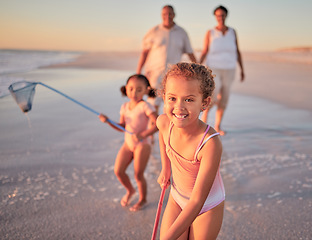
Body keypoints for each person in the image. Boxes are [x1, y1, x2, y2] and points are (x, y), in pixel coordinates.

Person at [156, 63, 225, 239]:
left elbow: (197, 201)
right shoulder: (164, 123)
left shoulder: (210, 144)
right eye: (172, 98)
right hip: (177, 198)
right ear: (163, 97)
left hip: (205, 206)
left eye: (189, 99)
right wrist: (166, 168)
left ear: (205, 102)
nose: (179, 107)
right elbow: (163, 140)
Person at [99, 74, 158, 211]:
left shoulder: (145, 106)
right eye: (131, 89)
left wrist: (144, 134)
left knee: (138, 174)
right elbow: (122, 127)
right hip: (128, 144)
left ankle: (143, 199)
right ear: (126, 89)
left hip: (142, 145)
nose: (134, 93)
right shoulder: (125, 106)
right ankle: (130, 191)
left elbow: (158, 124)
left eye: (139, 89)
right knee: (118, 171)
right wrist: (108, 121)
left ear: (146, 90)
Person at [136, 5, 197, 114]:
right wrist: (138, 71)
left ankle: (165, 129)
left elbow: (190, 52)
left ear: (174, 15)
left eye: (170, 14)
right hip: (154, 73)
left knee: (171, 103)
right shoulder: (154, 31)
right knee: (152, 102)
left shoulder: (182, 32)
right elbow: (144, 52)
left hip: (173, 74)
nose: (167, 16)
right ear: (161, 15)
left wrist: (198, 69)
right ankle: (153, 128)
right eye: (165, 14)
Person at [199, 5, 245, 135]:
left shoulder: (232, 32)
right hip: (213, 68)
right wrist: (197, 66)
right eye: (218, 15)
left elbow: (237, 51)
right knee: (212, 96)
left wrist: (242, 69)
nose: (220, 18)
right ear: (215, 17)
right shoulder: (210, 32)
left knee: (224, 98)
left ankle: (218, 126)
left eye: (223, 15)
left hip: (230, 69)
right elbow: (205, 50)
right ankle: (203, 124)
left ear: (226, 16)